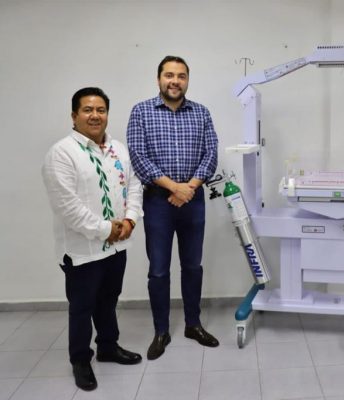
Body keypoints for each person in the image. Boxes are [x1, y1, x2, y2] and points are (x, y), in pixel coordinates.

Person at [42, 87, 143, 391]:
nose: (95, 115)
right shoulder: (61, 153)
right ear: (74, 116)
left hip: (117, 245)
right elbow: (67, 207)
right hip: (82, 249)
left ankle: (108, 348)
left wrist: (130, 219)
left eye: (101, 110)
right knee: (82, 306)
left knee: (109, 300)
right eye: (87, 110)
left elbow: (134, 186)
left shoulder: (118, 149)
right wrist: (105, 229)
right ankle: (80, 360)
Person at [126, 55, 219, 360]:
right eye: (169, 75)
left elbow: (211, 154)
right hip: (158, 202)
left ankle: (193, 324)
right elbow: (138, 157)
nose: (175, 81)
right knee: (158, 270)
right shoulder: (141, 112)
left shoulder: (201, 113)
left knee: (193, 266)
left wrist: (188, 188)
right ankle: (161, 331)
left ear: (187, 80)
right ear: (159, 79)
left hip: (192, 201)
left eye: (181, 76)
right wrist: (173, 187)